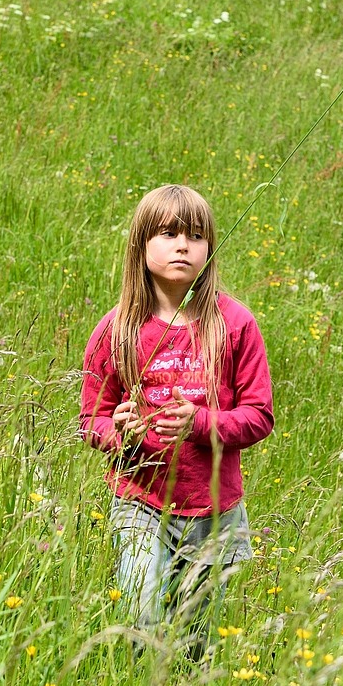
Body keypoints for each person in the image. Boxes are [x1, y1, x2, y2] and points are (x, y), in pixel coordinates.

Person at [80, 184, 274, 661]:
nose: (183, 245)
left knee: (197, 639)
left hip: (215, 509)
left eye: (195, 235)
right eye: (168, 233)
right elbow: (91, 418)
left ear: (210, 246)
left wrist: (203, 422)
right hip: (140, 502)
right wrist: (114, 430)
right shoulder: (117, 328)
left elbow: (259, 414)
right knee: (145, 617)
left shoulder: (235, 323)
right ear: (141, 246)